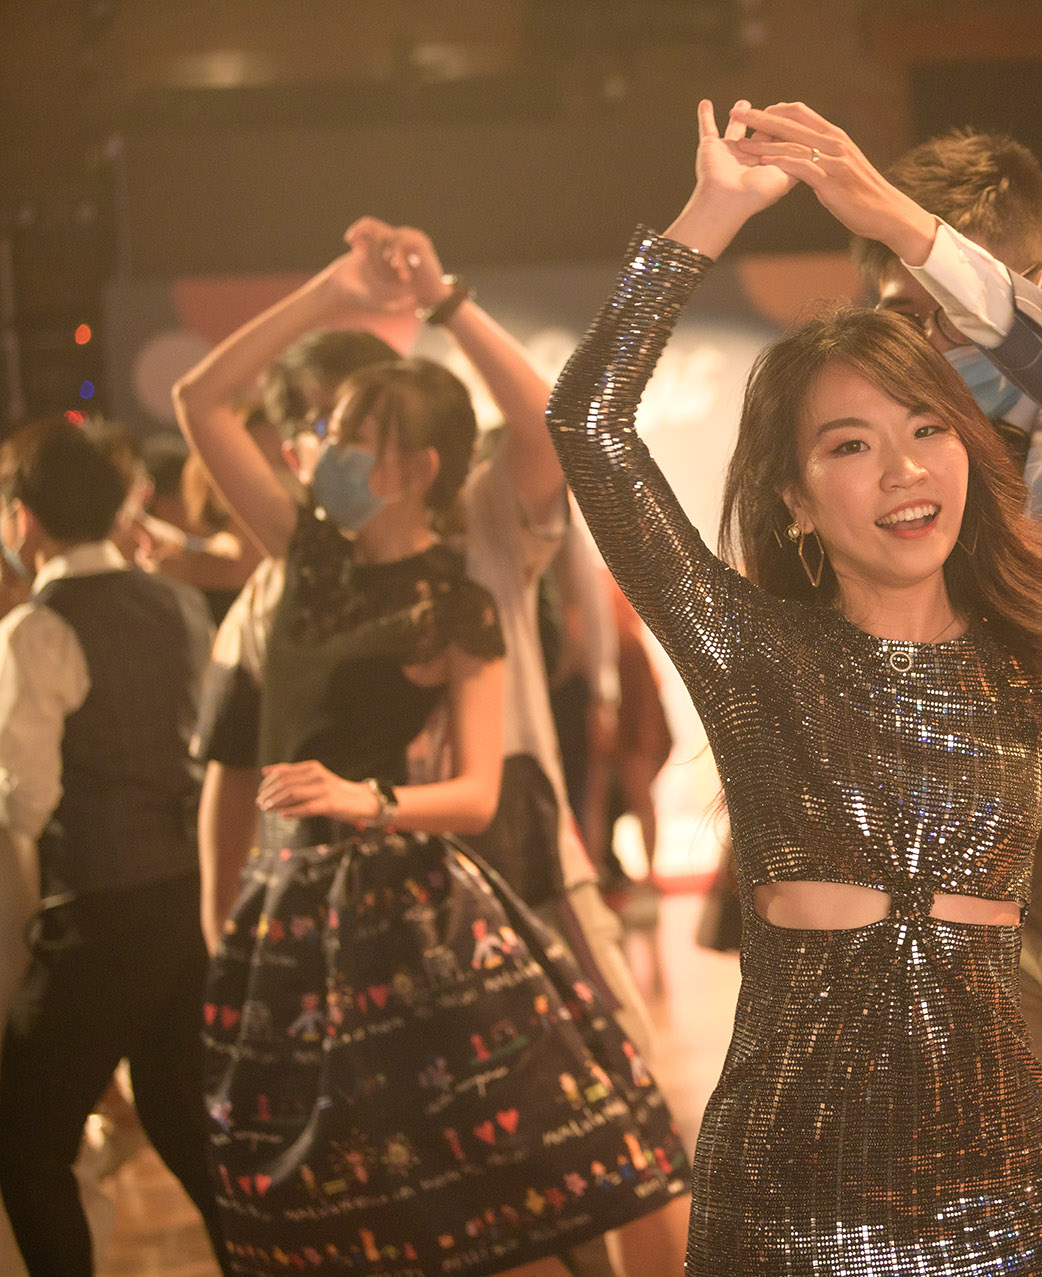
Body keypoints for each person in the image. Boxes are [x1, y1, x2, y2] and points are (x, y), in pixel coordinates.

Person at [547, 99, 1042, 1276]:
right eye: (849, 444)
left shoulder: (1037, 673)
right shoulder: (751, 654)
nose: (901, 468)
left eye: (928, 427)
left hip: (1003, 1211)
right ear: (794, 499)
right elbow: (586, 423)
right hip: (787, 1206)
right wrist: (709, 215)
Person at [174, 222, 687, 1276]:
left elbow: (549, 425)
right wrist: (331, 289)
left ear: (418, 463)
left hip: (498, 874)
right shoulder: (304, 562)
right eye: (327, 431)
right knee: (387, 1185)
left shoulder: (479, 545)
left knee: (584, 1139)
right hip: (319, 905)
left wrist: (443, 298)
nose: (325, 454)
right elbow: (200, 402)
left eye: (353, 434)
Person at [0, 418, 219, 1276]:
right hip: (184, 894)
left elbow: (28, 799)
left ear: (24, 517)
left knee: (23, 1139)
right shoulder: (174, 602)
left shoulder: (36, 629)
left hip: (99, 915)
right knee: (186, 1125)